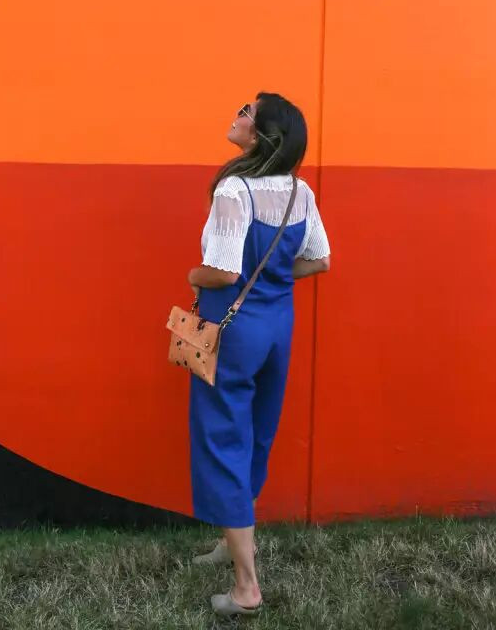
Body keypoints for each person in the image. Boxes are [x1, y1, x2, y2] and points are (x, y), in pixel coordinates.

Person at [187, 92, 330, 617]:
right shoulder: (299, 191)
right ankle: (232, 542)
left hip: (232, 331)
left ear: (261, 135)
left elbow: (223, 273)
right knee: (256, 434)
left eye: (247, 111)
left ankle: (246, 588)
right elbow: (319, 261)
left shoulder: (234, 190)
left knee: (223, 436)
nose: (238, 113)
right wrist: (269, 278)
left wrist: (192, 274)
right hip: (276, 327)